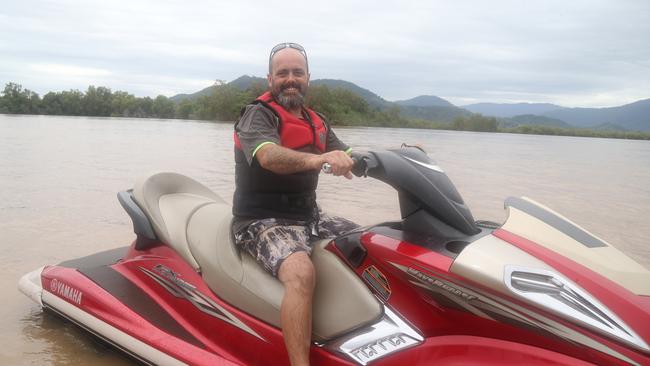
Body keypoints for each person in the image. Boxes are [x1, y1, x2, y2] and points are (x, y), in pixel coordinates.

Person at [232, 42, 358, 366]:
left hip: (308, 216)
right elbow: (268, 156)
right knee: (301, 272)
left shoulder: (318, 121)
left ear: (308, 78)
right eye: (283, 73)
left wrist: (396, 155)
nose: (291, 79)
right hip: (259, 220)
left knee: (369, 241)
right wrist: (318, 161)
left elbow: (350, 156)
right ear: (270, 79)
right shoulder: (256, 116)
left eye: (297, 72)